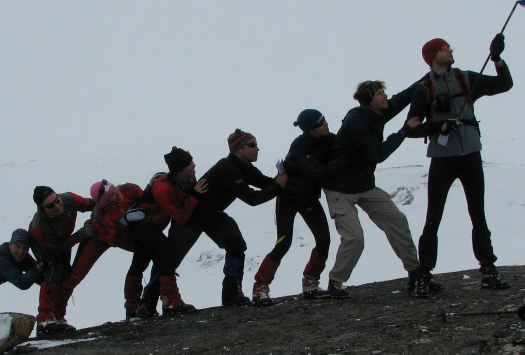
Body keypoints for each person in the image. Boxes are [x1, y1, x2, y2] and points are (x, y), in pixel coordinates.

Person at [406, 35, 513, 291]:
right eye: (445, 48)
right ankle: (425, 274)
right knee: (434, 216)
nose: (451, 50)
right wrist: (435, 126)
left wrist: (497, 59)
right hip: (444, 158)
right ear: (433, 56)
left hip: (470, 155)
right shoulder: (424, 88)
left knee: (478, 213)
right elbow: (411, 127)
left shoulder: (466, 78)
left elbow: (505, 84)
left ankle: (488, 268)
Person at [145, 129, 288, 307]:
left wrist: (286, 170)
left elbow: (267, 183)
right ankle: (147, 304)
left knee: (236, 245)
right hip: (193, 216)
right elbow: (253, 199)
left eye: (256, 144)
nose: (257, 149)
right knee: (169, 259)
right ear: (238, 149)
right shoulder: (228, 168)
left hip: (212, 214)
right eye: (252, 145)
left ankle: (231, 294)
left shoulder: (243, 166)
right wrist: (278, 187)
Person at [322, 80, 423, 299]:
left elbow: (404, 96)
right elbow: (377, 154)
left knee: (397, 220)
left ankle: (416, 273)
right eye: (380, 93)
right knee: (354, 237)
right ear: (369, 100)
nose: (385, 96)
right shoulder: (357, 122)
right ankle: (335, 283)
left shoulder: (377, 111)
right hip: (339, 188)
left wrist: (430, 76)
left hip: (364, 185)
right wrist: (404, 131)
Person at [252, 109, 347, 303]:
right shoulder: (299, 146)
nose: (325, 124)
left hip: (309, 198)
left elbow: (342, 151)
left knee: (324, 240)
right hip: (289, 197)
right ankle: (260, 288)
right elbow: (319, 173)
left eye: (324, 119)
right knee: (284, 242)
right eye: (320, 123)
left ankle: (310, 283)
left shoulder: (330, 139)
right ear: (310, 130)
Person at [124, 147, 207, 319]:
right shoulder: (163, 188)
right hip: (142, 225)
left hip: (150, 224)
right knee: (165, 253)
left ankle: (137, 307)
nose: (193, 165)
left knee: (140, 262)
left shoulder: (188, 179)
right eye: (188, 164)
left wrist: (193, 193)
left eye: (191, 161)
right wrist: (195, 195)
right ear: (178, 170)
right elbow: (180, 217)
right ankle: (171, 302)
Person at [29, 186, 98, 334]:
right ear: (42, 209)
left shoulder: (69, 199)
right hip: (45, 245)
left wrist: (105, 208)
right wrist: (80, 236)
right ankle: (44, 317)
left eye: (56, 200)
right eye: (50, 205)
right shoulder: (40, 226)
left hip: (63, 238)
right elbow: (54, 247)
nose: (57, 205)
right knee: (54, 269)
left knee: (65, 273)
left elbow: (91, 204)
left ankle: (58, 316)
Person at [86, 179, 144, 318]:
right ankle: (134, 304)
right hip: (129, 239)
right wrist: (124, 223)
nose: (117, 193)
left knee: (142, 262)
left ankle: (136, 304)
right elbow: (115, 241)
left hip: (142, 230)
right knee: (141, 262)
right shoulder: (103, 217)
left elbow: (145, 198)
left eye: (114, 189)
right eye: (111, 194)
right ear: (106, 202)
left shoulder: (129, 189)